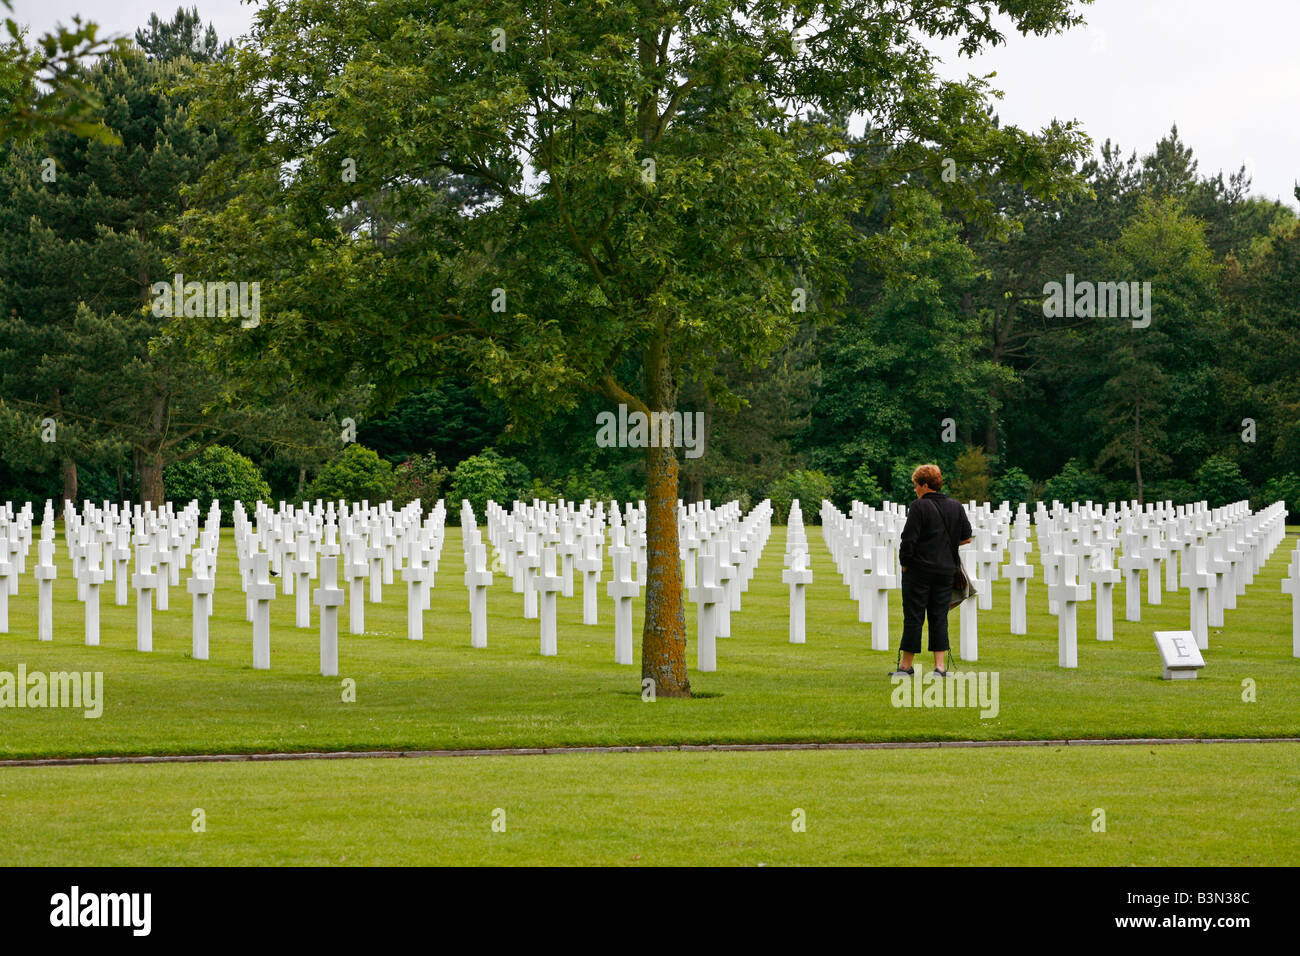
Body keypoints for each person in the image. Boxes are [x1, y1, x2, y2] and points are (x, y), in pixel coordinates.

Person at [890, 463, 972, 678]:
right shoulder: (956, 506)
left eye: (916, 485)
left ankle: (906, 666)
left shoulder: (919, 507)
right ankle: (940, 667)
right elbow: (967, 536)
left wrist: (905, 564)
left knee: (914, 616)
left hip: (919, 570)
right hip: (946, 570)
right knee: (939, 616)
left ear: (925, 485)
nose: (915, 490)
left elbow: (908, 540)